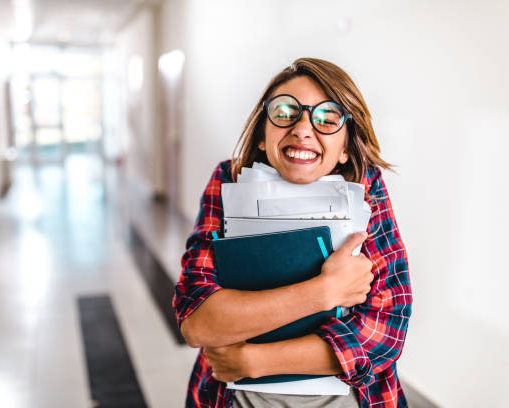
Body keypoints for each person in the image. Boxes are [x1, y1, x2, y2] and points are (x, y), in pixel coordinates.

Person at [173, 58, 412, 408]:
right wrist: (326, 290)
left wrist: (253, 361)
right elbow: (198, 322)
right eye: (285, 112)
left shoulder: (368, 187)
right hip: (235, 398)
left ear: (345, 147)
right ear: (261, 136)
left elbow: (385, 334)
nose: (303, 129)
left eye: (327, 119)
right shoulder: (229, 179)